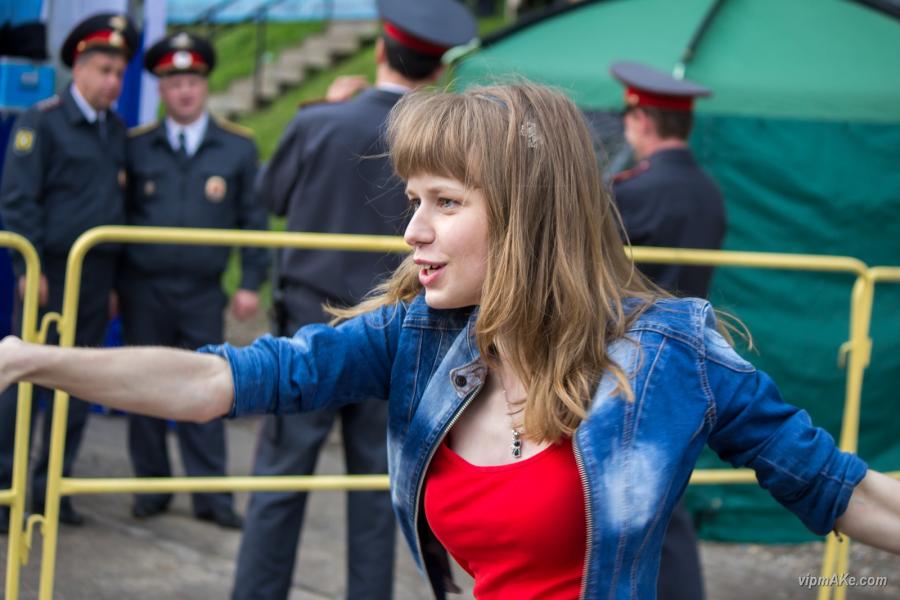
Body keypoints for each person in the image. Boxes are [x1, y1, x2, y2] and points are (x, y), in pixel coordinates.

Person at [2, 83, 899, 599]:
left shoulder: (671, 353)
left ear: (526, 214)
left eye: (445, 202)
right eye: (413, 200)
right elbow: (215, 383)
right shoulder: (416, 339)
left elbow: (843, 490)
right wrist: (32, 359)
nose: (412, 231)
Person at [232, 0, 477, 597]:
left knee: (280, 481)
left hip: (309, 322)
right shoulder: (443, 147)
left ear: (379, 51)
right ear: (438, 69)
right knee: (377, 488)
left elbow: (271, 195)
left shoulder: (320, 121)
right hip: (401, 329)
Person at [117, 32, 268, 529]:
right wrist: (114, 286)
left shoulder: (237, 146)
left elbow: (253, 218)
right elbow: (119, 216)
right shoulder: (137, 146)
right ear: (161, 89)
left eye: (192, 82)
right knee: (142, 387)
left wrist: (250, 281)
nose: (184, 91)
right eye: (174, 82)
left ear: (205, 86)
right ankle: (151, 488)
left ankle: (211, 497)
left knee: (206, 387)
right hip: (143, 288)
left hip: (203, 291)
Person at [0, 12, 139, 532]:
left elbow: (117, 211)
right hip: (50, 273)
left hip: (96, 276)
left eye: (119, 73)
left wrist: (114, 284)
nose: (112, 82)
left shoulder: (115, 132)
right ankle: (6, 486)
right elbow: (18, 200)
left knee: (80, 383)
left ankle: (52, 487)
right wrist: (27, 266)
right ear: (78, 68)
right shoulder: (43, 121)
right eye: (104, 70)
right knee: (26, 381)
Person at [610, 61, 727, 600]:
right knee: (665, 497)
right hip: (688, 355)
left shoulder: (632, 190)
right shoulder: (708, 190)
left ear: (642, 119)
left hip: (628, 359)